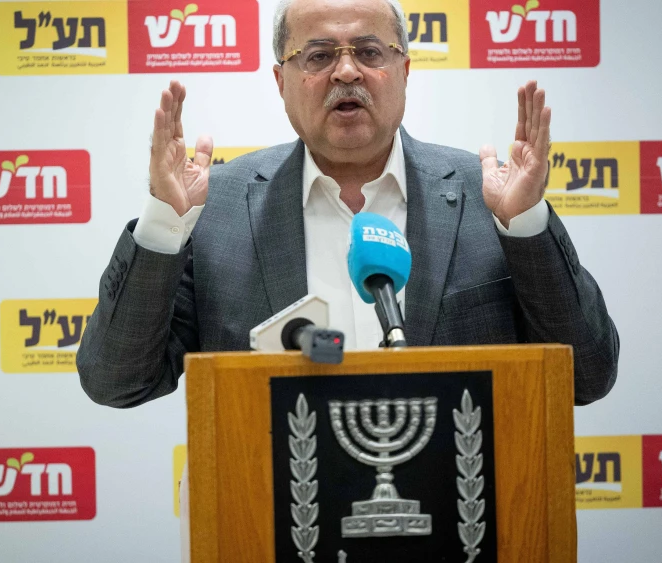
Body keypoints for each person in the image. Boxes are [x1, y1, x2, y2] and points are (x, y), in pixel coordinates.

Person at [79, 0, 619, 557]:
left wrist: (526, 228)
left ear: (405, 71)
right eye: (317, 55)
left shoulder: (492, 198)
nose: (345, 72)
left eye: (367, 51)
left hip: (462, 535)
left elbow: (590, 374)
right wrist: (166, 224)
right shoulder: (215, 206)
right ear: (281, 81)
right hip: (274, 536)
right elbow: (115, 380)